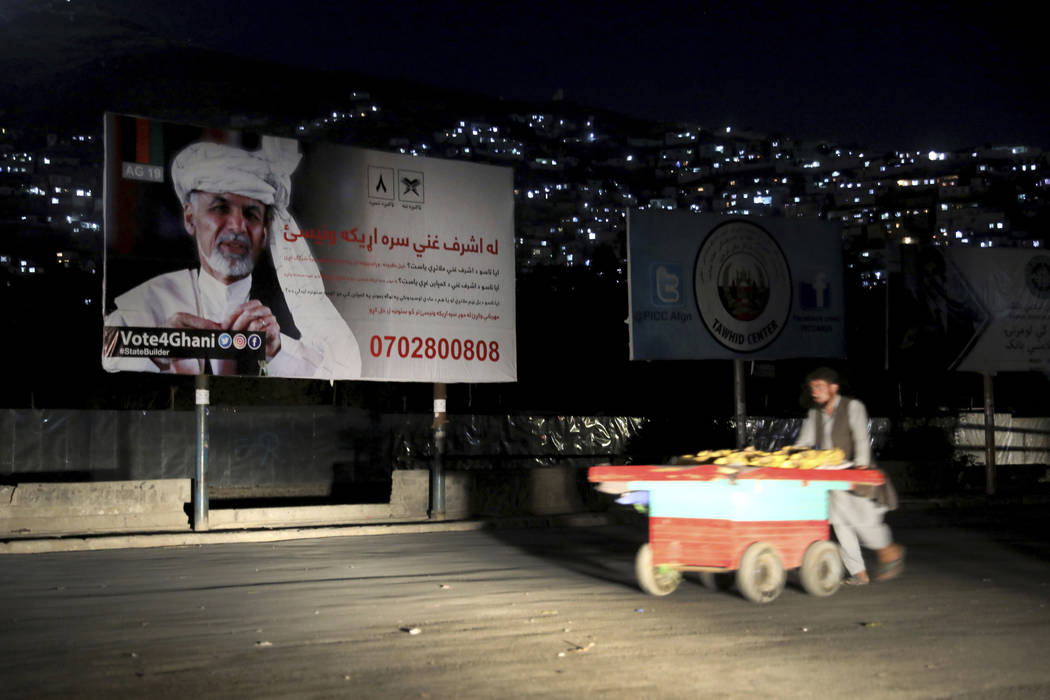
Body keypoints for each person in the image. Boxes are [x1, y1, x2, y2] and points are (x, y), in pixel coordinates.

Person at [103, 138, 361, 378]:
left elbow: (342, 372)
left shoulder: (284, 312)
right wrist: (159, 346)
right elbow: (106, 357)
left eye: (251, 214)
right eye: (220, 208)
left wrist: (275, 353)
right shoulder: (151, 300)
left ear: (266, 230)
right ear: (190, 217)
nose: (238, 226)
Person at [794, 366, 905, 585]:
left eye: (819, 387)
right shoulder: (814, 414)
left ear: (834, 388)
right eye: (812, 388)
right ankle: (858, 572)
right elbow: (803, 443)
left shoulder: (853, 407)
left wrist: (861, 467)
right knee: (840, 524)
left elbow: (861, 438)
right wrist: (790, 457)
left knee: (865, 522)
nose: (814, 392)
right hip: (831, 479)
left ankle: (890, 551)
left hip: (856, 475)